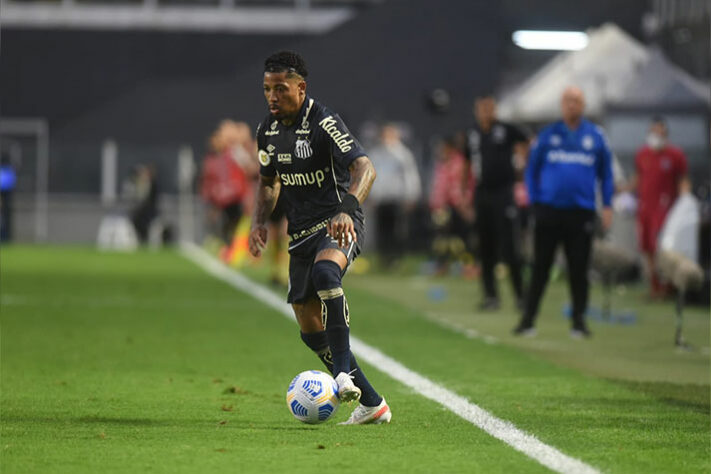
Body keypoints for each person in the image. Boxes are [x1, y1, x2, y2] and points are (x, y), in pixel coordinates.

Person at [248, 51, 391, 425]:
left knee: (327, 274)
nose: (272, 96)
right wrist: (259, 222)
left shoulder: (324, 122)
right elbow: (268, 183)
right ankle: (372, 404)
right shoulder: (267, 131)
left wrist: (346, 208)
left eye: (281, 88)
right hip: (299, 234)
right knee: (309, 325)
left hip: (338, 223)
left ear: (301, 87)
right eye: (267, 89)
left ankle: (341, 375)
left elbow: (366, 167)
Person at [514, 86, 614, 338]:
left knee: (579, 269)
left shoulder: (595, 136)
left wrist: (608, 205)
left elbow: (607, 175)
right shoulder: (548, 135)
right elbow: (531, 171)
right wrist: (535, 201)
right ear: (561, 104)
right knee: (540, 268)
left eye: (577, 101)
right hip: (549, 211)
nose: (572, 105)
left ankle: (579, 322)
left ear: (583, 105)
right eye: (568, 100)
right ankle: (528, 320)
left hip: (581, 212)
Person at [466, 94, 529, 311]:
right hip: (482, 194)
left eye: (489, 108)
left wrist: (523, 164)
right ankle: (491, 297)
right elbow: (467, 163)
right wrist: (466, 194)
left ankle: (521, 296)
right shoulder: (473, 133)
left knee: (511, 247)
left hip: (504, 194)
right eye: (482, 108)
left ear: (495, 109)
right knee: (486, 248)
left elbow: (529, 142)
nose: (486, 112)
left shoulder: (507, 129)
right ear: (477, 110)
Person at [629, 117, 688, 297]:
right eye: (653, 133)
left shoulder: (675, 155)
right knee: (647, 248)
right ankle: (654, 285)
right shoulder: (642, 154)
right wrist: (619, 189)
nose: (656, 136)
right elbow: (637, 180)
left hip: (665, 209)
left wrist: (686, 201)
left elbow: (683, 180)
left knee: (661, 247)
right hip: (645, 208)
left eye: (660, 133)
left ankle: (668, 285)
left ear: (666, 135)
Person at [368, 124, 422, 267]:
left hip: (397, 198)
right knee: (382, 230)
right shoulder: (375, 154)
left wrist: (411, 195)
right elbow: (371, 176)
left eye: (390, 135)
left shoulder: (403, 155)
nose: (387, 139)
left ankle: (396, 259)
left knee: (397, 230)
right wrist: (371, 195)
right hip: (381, 199)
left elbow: (411, 176)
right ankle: (384, 260)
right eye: (385, 135)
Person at [429, 135, 475, 273]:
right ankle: (443, 266)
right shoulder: (442, 165)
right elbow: (439, 187)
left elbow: (466, 186)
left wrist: (464, 205)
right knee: (442, 240)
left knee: (463, 238)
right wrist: (437, 205)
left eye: (443, 148)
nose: (440, 151)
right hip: (444, 208)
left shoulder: (460, 164)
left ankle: (468, 265)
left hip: (459, 206)